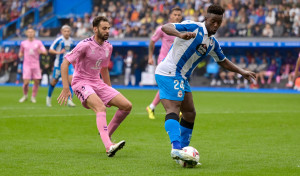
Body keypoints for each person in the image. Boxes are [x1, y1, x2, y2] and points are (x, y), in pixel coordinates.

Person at [155, 4, 256, 164]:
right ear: (206, 19)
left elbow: (222, 60)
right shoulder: (194, 27)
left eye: (219, 23)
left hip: (182, 77)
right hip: (170, 71)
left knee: (189, 113)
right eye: (213, 21)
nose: (215, 25)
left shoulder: (212, 43)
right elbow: (165, 27)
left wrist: (241, 71)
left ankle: (183, 155)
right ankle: (176, 148)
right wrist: (179, 34)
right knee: (173, 108)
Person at [57, 16, 132, 157]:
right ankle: (108, 146)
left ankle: (106, 133)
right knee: (100, 108)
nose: (107, 31)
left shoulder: (108, 46)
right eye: (104, 28)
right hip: (81, 82)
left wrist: (109, 89)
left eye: (109, 28)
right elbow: (65, 63)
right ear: (95, 29)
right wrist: (66, 88)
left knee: (127, 106)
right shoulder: (84, 45)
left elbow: (104, 68)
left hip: (97, 82)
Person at [146, 7, 183, 119]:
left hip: (176, 63)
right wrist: (150, 57)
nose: (177, 17)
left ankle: (152, 107)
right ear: (170, 16)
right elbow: (152, 41)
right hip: (163, 61)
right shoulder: (163, 28)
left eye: (179, 15)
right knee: (168, 85)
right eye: (175, 14)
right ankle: (175, 110)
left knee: (171, 85)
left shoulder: (183, 29)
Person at [46, 25, 76, 107]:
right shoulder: (59, 40)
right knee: (54, 82)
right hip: (59, 65)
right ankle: (48, 98)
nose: (66, 33)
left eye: (68, 31)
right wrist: (58, 53)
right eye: (65, 31)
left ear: (70, 32)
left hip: (69, 64)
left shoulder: (72, 42)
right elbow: (51, 50)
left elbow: (75, 52)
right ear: (62, 32)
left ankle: (70, 100)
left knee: (71, 81)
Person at [18, 28, 47, 103]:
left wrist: (41, 52)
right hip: (26, 65)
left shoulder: (38, 42)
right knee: (26, 82)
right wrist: (20, 55)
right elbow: (20, 52)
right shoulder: (23, 43)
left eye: (32, 32)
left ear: (34, 33)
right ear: (26, 33)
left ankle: (33, 97)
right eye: (29, 32)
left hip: (36, 65)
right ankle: (25, 95)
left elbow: (45, 52)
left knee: (36, 81)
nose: (30, 33)